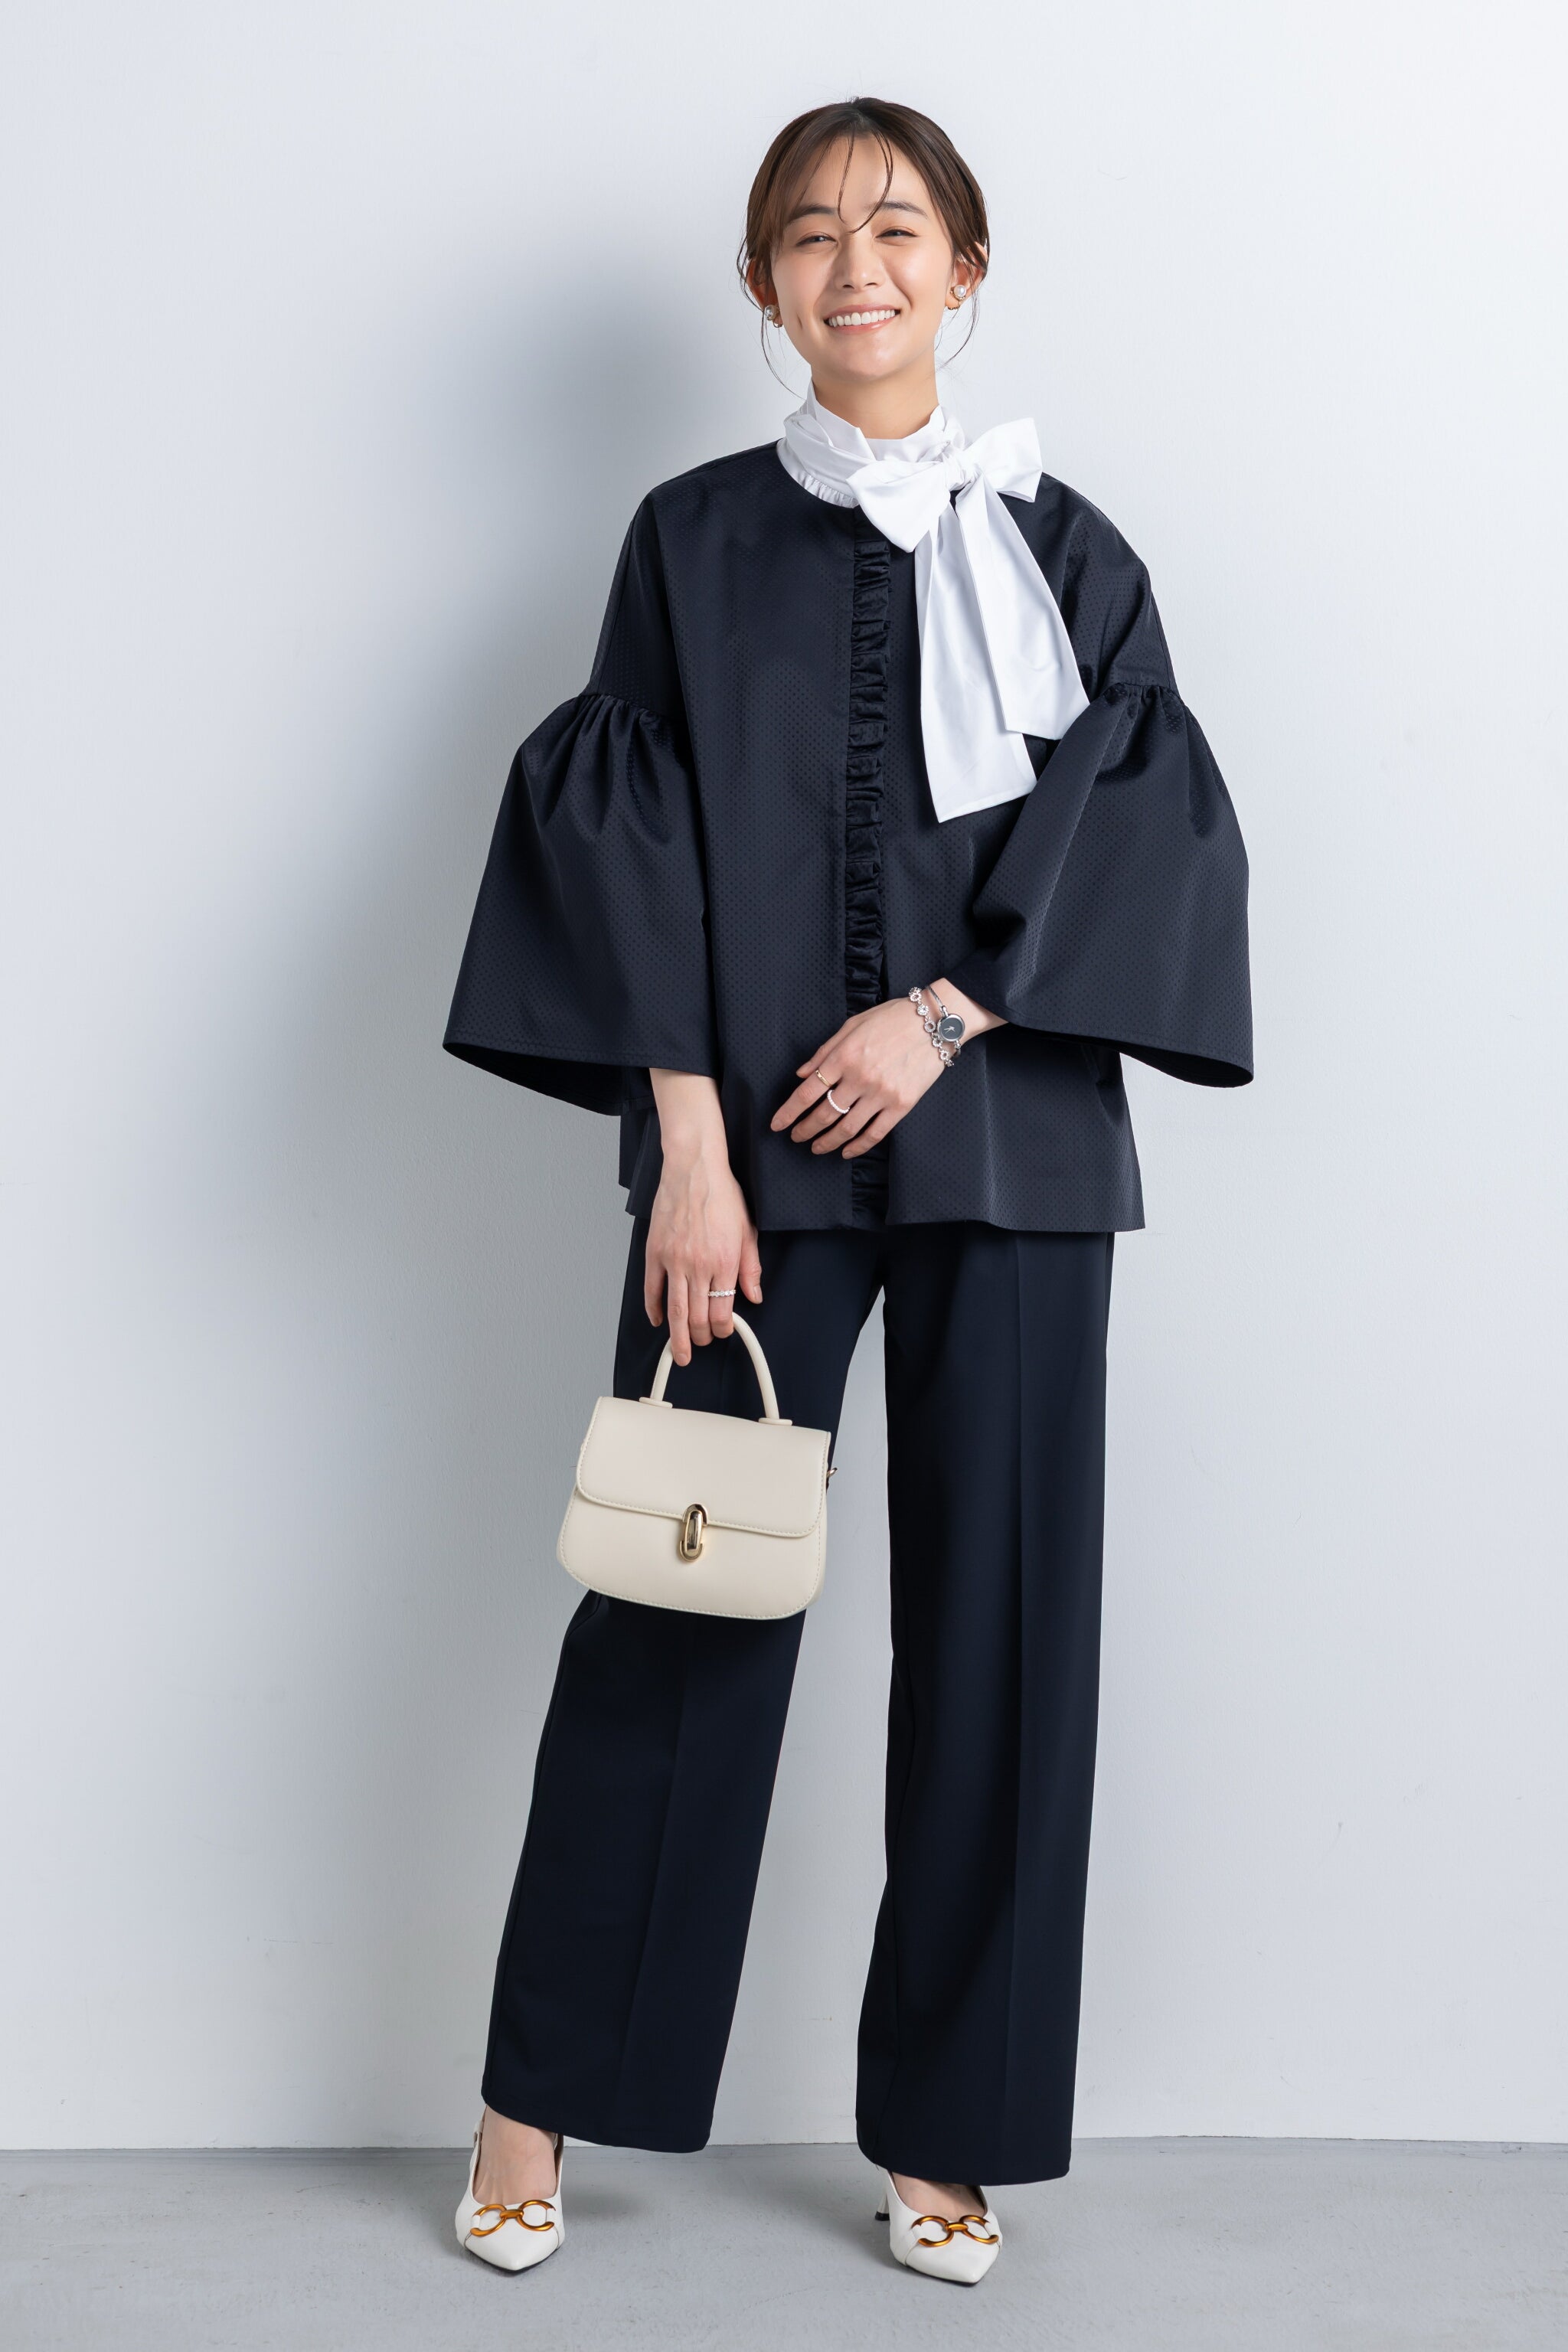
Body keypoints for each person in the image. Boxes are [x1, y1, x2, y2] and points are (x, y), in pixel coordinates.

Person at [443, 96, 1252, 2287]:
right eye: (811, 233)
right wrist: (688, 1158)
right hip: (751, 1185)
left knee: (1003, 1642)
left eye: (899, 228)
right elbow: (633, 840)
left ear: (964, 272)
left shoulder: (1068, 546)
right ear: (763, 286)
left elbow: (1132, 821)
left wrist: (944, 1021)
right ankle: (535, 2099)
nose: (856, 263)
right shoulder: (691, 542)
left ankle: (949, 2130)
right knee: (680, 1605)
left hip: (1016, 1150)